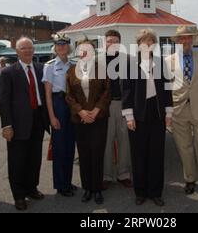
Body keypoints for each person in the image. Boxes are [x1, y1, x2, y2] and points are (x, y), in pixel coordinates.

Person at [165, 26, 198, 199]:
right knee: (184, 148)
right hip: (178, 110)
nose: (186, 41)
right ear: (177, 41)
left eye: (189, 37)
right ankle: (189, 180)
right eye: (182, 38)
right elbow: (166, 88)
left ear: (193, 39)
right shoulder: (168, 61)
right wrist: (168, 112)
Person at [122, 29, 173, 207]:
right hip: (137, 114)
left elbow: (167, 90)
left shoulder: (160, 63)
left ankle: (155, 192)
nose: (148, 44)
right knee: (139, 155)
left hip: (157, 113)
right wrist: (129, 116)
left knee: (156, 155)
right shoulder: (130, 63)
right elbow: (126, 92)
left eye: (151, 41)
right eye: (144, 41)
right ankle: (140, 192)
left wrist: (169, 114)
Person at [0, 37, 50, 211]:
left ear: (33, 50)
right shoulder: (8, 72)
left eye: (30, 48)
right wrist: (6, 125)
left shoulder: (42, 69)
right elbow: (3, 101)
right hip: (18, 123)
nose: (27, 50)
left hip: (38, 120)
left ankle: (31, 188)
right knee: (17, 160)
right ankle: (19, 195)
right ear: (17, 51)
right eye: (23, 48)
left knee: (35, 158)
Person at [65, 38, 110, 205]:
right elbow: (69, 95)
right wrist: (81, 112)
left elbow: (107, 92)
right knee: (84, 155)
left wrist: (96, 110)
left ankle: (97, 188)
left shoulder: (102, 69)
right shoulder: (71, 71)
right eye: (82, 49)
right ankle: (87, 189)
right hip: (80, 119)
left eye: (88, 49)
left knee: (97, 154)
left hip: (99, 118)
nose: (85, 52)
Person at [42, 33, 77, 197]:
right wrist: (52, 117)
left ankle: (68, 181)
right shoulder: (49, 66)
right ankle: (60, 184)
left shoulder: (73, 65)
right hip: (57, 105)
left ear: (68, 47)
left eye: (64, 44)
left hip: (71, 105)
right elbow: (47, 94)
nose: (62, 47)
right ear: (55, 47)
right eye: (58, 45)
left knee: (70, 146)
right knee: (59, 147)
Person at [102, 30, 132, 190]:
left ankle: (123, 174)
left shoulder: (129, 60)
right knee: (106, 141)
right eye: (109, 41)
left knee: (124, 141)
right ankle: (106, 176)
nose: (112, 43)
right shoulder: (97, 61)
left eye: (115, 41)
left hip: (124, 104)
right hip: (105, 106)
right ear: (105, 43)